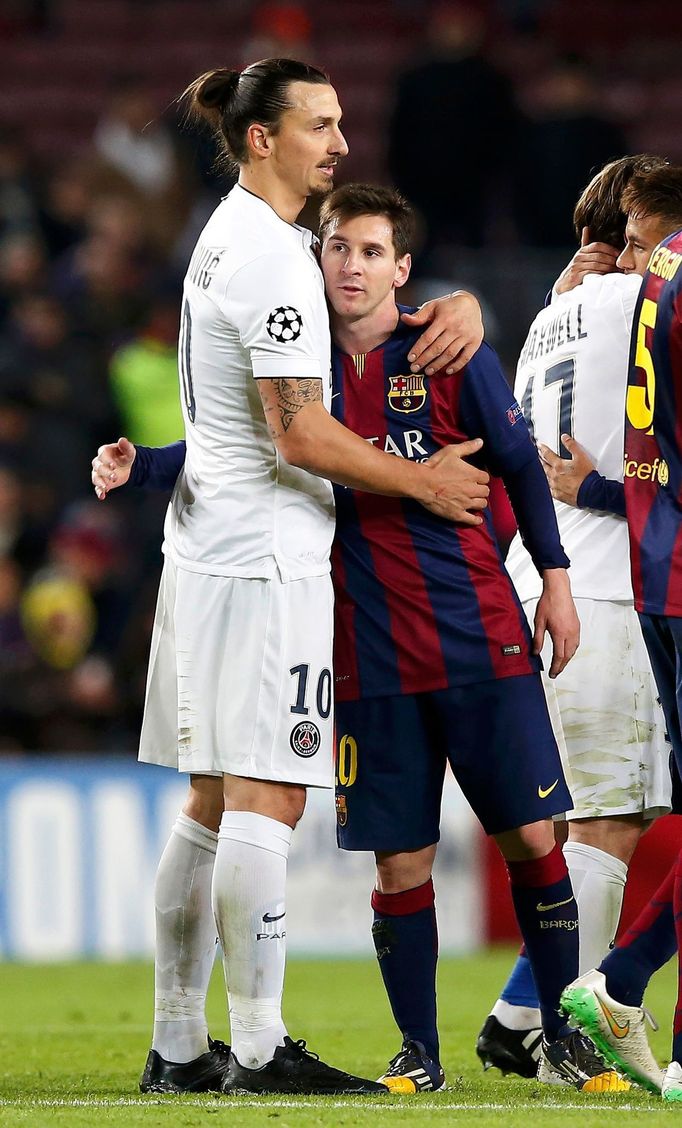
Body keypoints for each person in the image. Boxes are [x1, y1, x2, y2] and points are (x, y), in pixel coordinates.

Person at [97, 183, 634, 1095]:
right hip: (366, 654)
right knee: (402, 861)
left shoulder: (450, 350)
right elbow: (246, 451)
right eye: (338, 247)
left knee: (533, 839)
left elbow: (518, 465)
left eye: (372, 251)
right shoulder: (297, 358)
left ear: (403, 268)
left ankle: (560, 1039)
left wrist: (555, 583)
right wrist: (145, 463)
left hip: (480, 640)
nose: (350, 265)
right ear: (319, 257)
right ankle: (419, 1055)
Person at [91, 58, 492, 1097]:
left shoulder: (220, 233)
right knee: (268, 794)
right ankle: (261, 1050)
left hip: (203, 547)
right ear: (260, 136)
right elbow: (301, 434)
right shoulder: (270, 258)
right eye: (319, 124)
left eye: (341, 121)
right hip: (266, 560)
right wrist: (421, 482)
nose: (340, 142)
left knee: (212, 801)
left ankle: (181, 1045)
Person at [477, 156, 672, 1080]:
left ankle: (522, 1013)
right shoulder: (653, 312)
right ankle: (560, 1033)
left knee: (570, 826)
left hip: (531, 585)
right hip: (606, 593)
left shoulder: (546, 320)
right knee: (612, 822)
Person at [557, 168, 682, 1103]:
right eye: (632, 241)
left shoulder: (627, 309)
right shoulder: (661, 304)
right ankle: (612, 985)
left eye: (643, 241)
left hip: (643, 583)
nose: (635, 259)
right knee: (619, 815)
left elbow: (644, 463)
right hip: (644, 585)